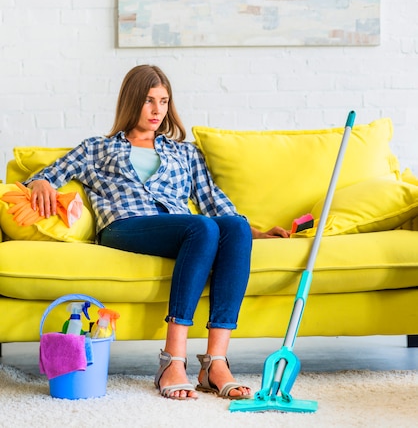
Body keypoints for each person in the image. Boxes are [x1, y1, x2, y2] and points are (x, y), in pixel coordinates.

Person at [26, 65, 290, 401]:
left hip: (184, 229)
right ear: (131, 102)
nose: (157, 110)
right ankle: (172, 360)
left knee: (232, 226)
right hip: (125, 227)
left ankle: (215, 362)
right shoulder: (97, 148)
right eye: (149, 101)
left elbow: (213, 202)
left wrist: (255, 233)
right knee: (202, 227)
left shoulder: (185, 152)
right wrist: (40, 183)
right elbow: (44, 175)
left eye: (163, 101)